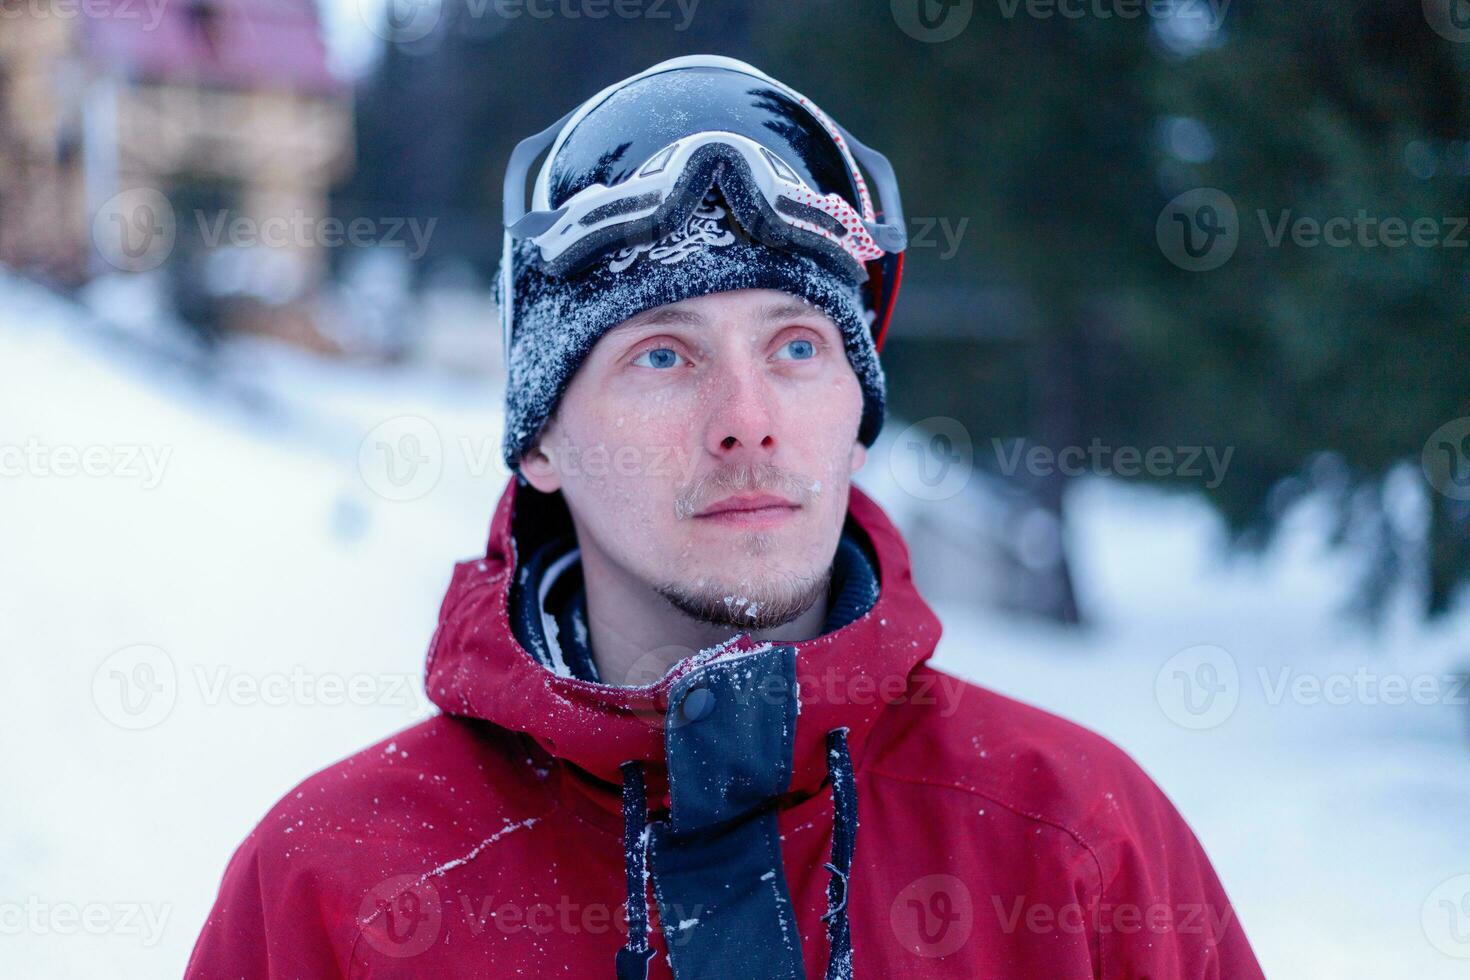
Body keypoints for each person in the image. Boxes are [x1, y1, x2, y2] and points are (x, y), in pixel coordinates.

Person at [186, 55, 1264, 979]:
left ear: (857, 412)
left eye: (797, 346)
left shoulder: (1080, 845)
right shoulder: (331, 888)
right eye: (664, 353)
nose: (746, 421)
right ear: (541, 443)